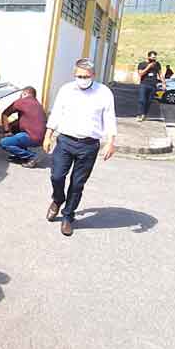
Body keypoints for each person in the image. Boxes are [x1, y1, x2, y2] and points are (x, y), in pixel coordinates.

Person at [43, 58, 117, 237]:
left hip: (89, 145)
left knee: (77, 184)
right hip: (65, 141)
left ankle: (68, 216)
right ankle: (58, 199)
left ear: (93, 75)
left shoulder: (104, 92)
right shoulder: (66, 90)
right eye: (78, 76)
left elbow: (109, 117)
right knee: (57, 175)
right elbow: (57, 112)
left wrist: (111, 142)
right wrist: (48, 135)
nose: (82, 79)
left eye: (85, 76)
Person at [0, 86, 46, 168]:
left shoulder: (22, 101)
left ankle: (32, 157)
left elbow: (5, 114)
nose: (19, 97)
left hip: (31, 137)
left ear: (25, 94)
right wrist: (11, 127)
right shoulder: (38, 104)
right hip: (41, 138)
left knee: (4, 143)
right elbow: (26, 120)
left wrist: (7, 131)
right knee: (15, 128)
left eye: (21, 94)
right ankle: (21, 157)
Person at [136, 50, 162, 122]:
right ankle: (139, 114)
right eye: (152, 57)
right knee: (142, 100)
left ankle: (144, 114)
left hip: (153, 85)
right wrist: (149, 67)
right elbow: (140, 74)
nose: (154, 59)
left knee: (149, 101)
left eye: (155, 57)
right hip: (144, 84)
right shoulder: (142, 64)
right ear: (148, 57)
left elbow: (160, 74)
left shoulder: (157, 64)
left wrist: (163, 83)